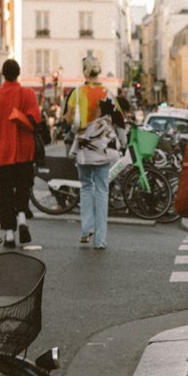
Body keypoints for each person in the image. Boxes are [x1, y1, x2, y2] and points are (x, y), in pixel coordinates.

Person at [0, 60, 41, 248]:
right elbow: (36, 119)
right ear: (18, 73)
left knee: (4, 193)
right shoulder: (27, 94)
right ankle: (22, 218)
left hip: (0, 152)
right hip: (23, 150)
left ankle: (10, 235)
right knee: (22, 187)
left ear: (3, 74)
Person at [64, 54, 125, 250]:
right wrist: (122, 142)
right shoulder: (107, 93)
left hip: (84, 148)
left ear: (84, 71)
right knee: (102, 190)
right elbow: (119, 121)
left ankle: (85, 230)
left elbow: (67, 118)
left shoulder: (77, 92)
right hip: (103, 148)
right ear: (98, 71)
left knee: (85, 187)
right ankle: (100, 239)